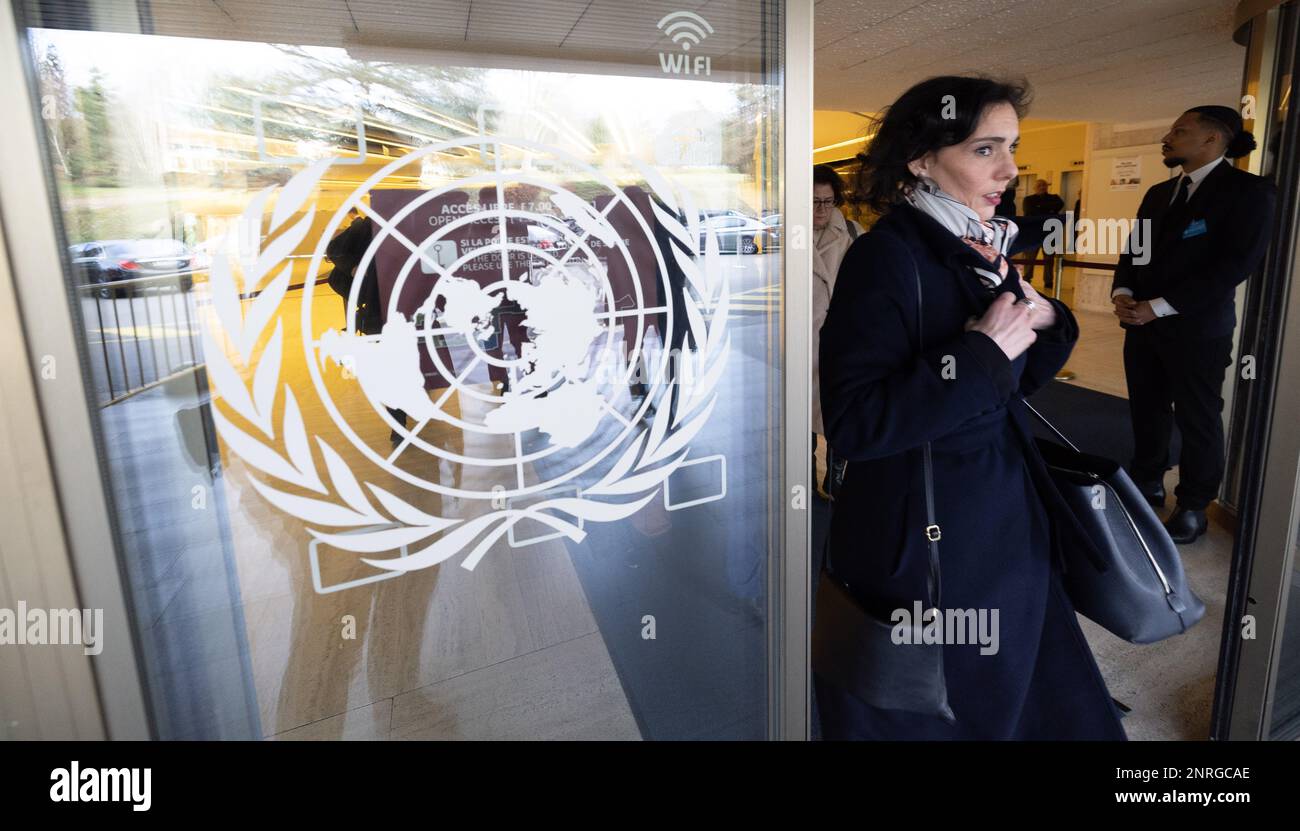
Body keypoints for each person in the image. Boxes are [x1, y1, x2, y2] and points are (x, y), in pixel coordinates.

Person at [817, 75, 1126, 740]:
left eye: (1011, 147)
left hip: (1004, 505)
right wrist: (981, 353)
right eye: (986, 149)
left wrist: (1044, 317)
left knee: (1020, 680)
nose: (1011, 169)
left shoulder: (979, 246)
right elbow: (854, 422)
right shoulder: (886, 257)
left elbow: (1016, 381)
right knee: (950, 695)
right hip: (928, 525)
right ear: (922, 159)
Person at [1112, 105, 1275, 544]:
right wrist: (1123, 293)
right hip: (1142, 327)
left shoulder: (1250, 193)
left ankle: (1193, 505)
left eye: (1179, 131)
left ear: (1212, 140)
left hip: (1197, 332)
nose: (1167, 137)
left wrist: (1159, 306)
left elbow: (1233, 266)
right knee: (1146, 408)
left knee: (1197, 417)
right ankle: (1147, 480)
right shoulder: (1158, 194)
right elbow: (1136, 251)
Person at [812, 164, 862, 499]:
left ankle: (836, 475)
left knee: (837, 407)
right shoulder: (784, 232)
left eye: (828, 202)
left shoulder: (854, 233)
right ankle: (799, 474)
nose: (821, 210)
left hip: (841, 335)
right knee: (799, 411)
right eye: (814, 202)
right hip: (799, 338)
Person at [1022, 180, 1064, 289]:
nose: (1042, 187)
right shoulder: (1028, 200)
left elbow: (1059, 205)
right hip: (1033, 233)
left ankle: (1048, 281)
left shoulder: (1055, 198)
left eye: (1044, 185)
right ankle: (1027, 278)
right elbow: (1030, 211)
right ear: (1034, 188)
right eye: (1039, 185)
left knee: (1049, 260)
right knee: (1029, 258)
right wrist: (1048, 210)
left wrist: (1040, 207)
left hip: (1050, 234)